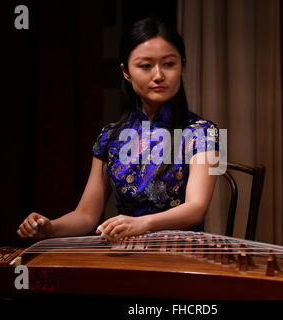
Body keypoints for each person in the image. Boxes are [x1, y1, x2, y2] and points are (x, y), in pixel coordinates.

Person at [17, 17, 220, 242]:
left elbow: (196, 208)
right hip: (125, 251)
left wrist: (143, 224)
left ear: (182, 64)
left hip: (179, 252)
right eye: (145, 66)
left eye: (169, 64)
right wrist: (49, 227)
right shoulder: (110, 136)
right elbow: (86, 215)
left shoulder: (206, 132)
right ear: (126, 71)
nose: (159, 75)